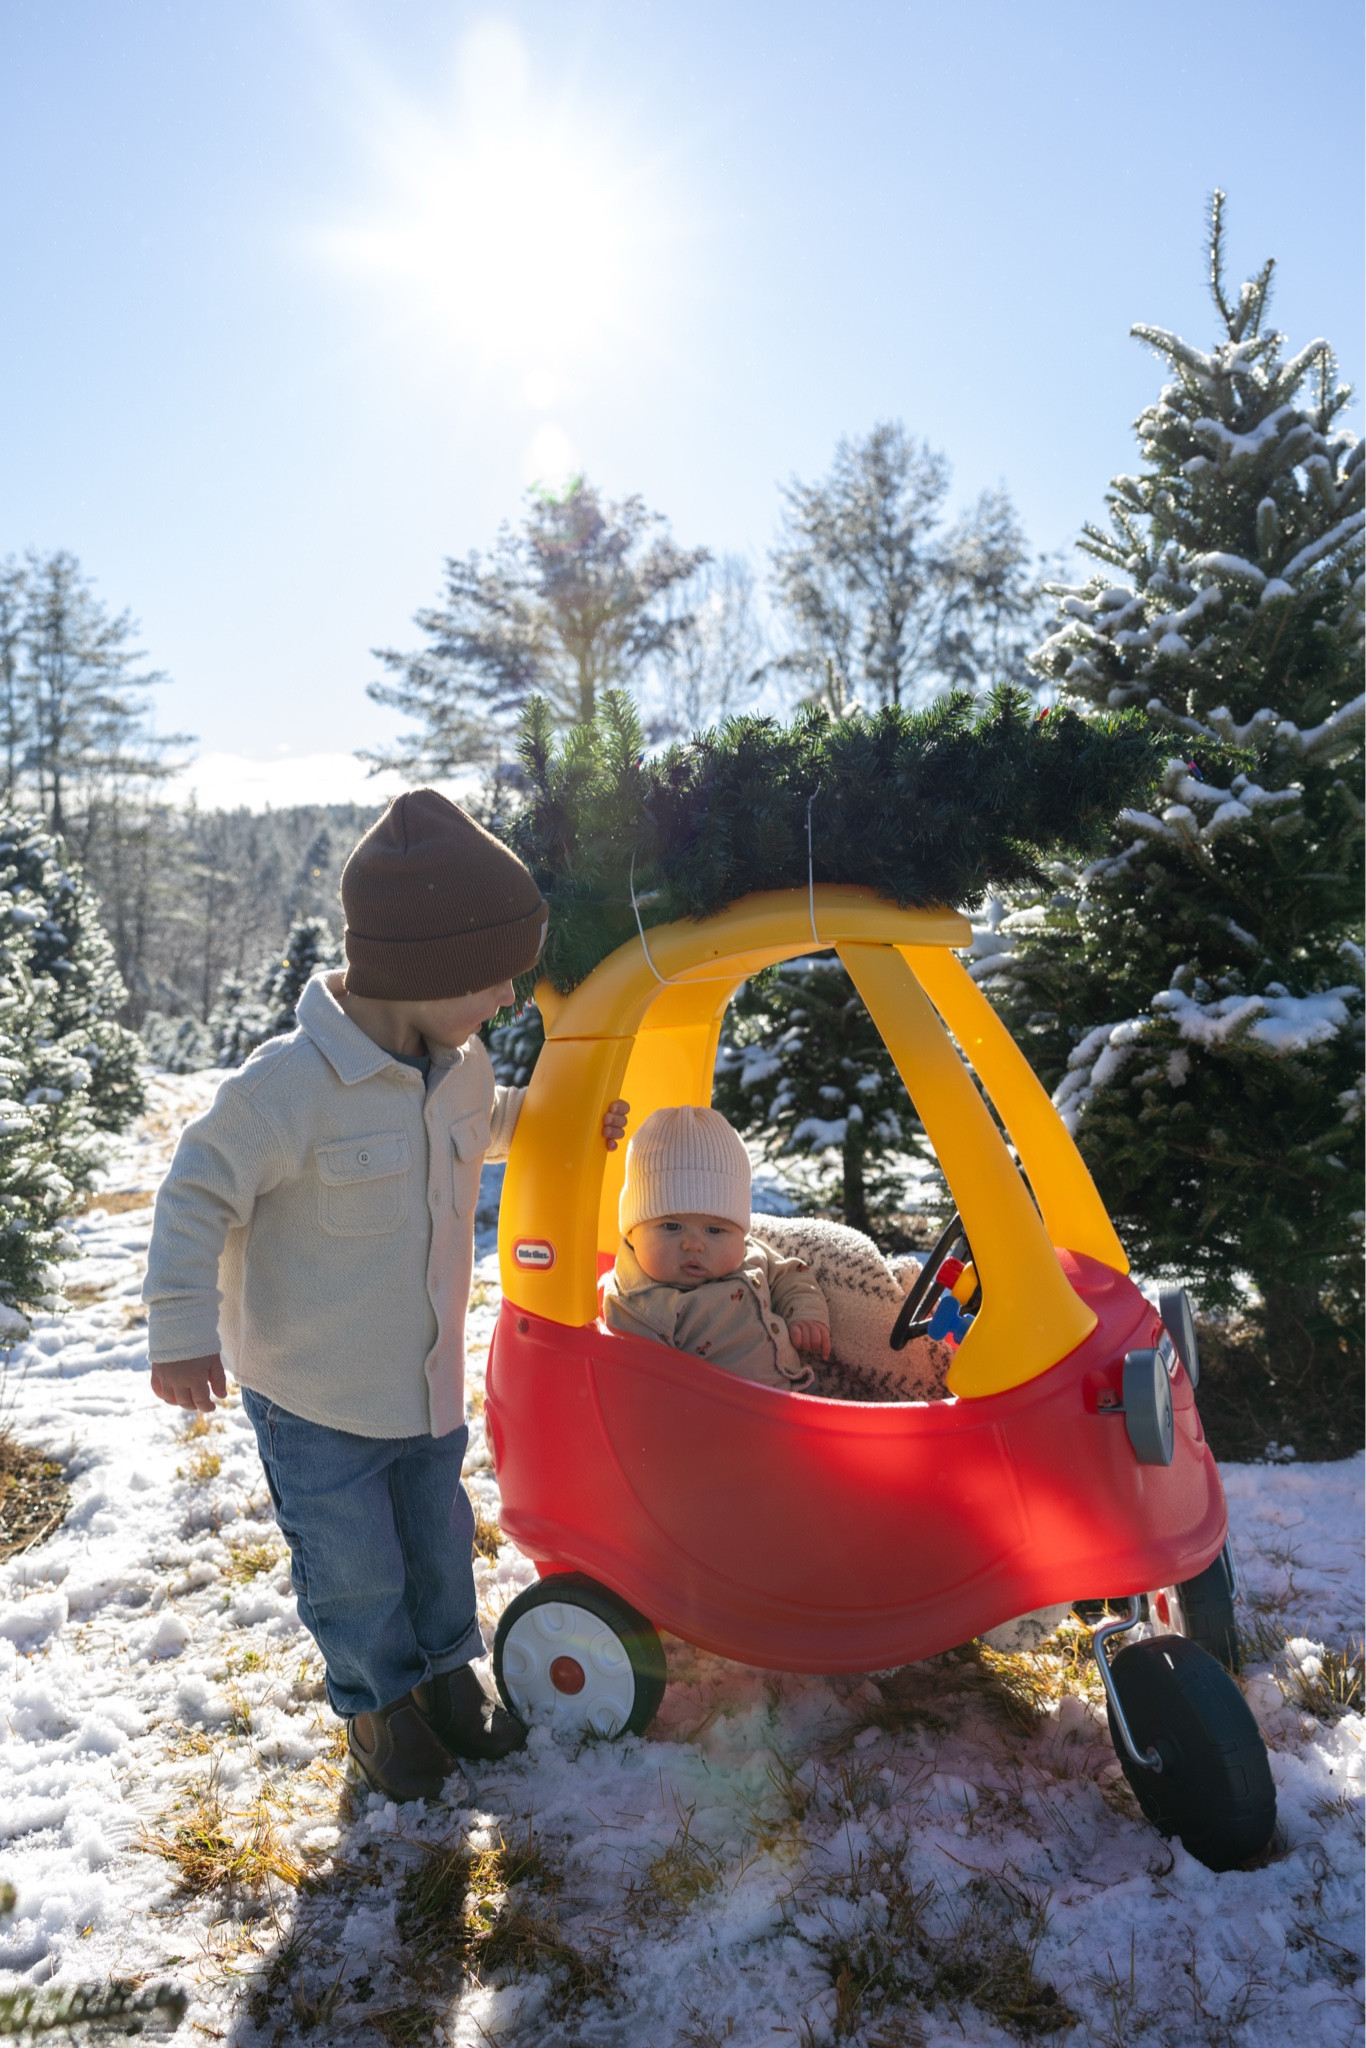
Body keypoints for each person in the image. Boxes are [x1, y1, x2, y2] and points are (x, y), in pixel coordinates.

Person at [143, 790, 628, 1804]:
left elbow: (488, 1119)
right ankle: (377, 1711)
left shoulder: (457, 1064)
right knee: (357, 1569)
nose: (504, 996)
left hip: (425, 1390)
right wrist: (182, 1332)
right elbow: (195, 1190)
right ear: (425, 967)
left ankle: (447, 1681)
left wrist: (560, 1116)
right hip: (316, 1398)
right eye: (492, 975)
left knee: (438, 1545)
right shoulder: (290, 1086)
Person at [602, 1105, 830, 1388]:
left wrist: (805, 1314)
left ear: (739, 1231)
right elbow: (641, 1391)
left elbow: (792, 1274)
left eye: (715, 1230)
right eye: (671, 1226)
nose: (694, 1244)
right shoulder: (638, 1307)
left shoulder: (748, 1253)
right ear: (633, 1231)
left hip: (798, 1398)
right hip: (722, 1421)